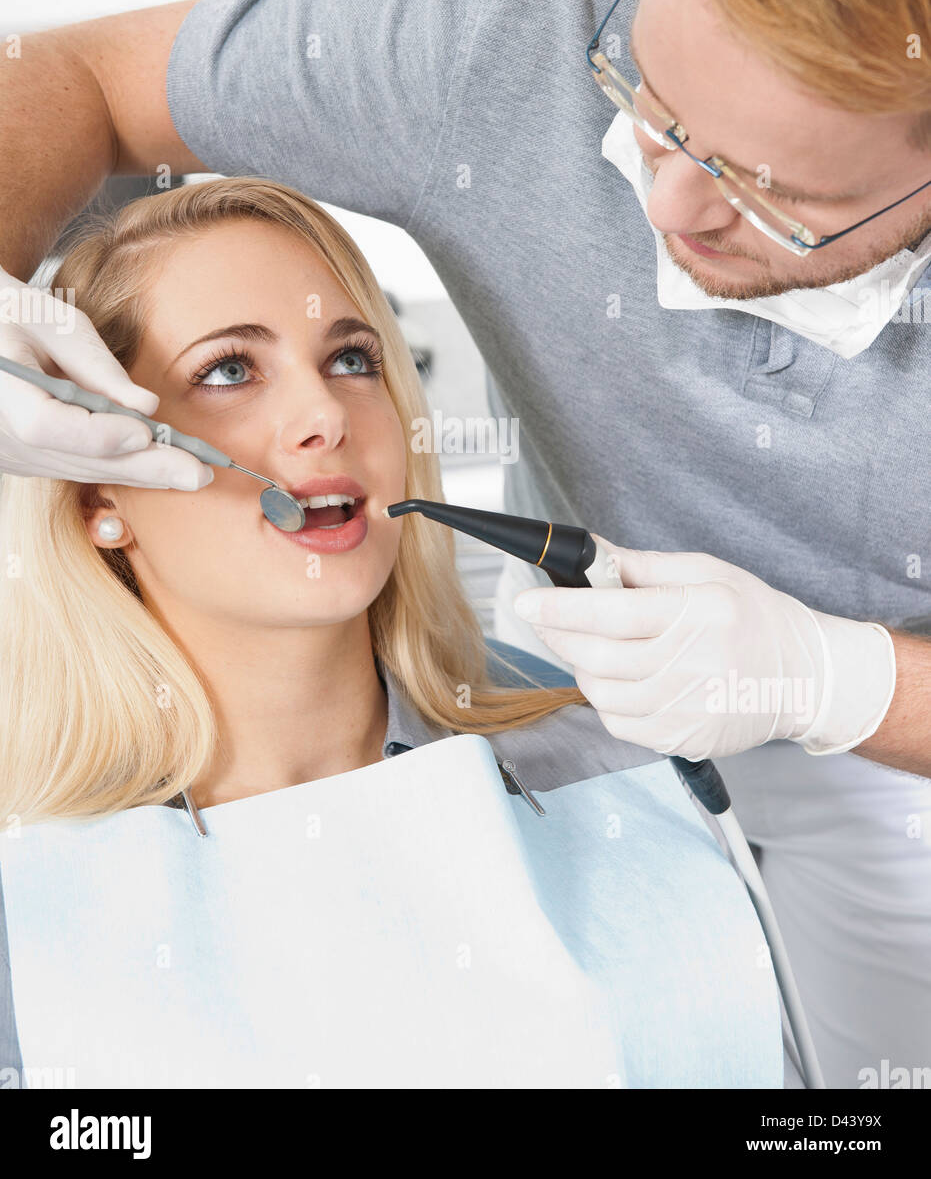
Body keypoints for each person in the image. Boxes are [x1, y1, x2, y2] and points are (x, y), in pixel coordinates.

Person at [0, 0, 926, 1088]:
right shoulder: (503, 4)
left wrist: (831, 681)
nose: (657, 199)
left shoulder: (608, 803)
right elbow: (66, 73)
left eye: (772, 192)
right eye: (644, 103)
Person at [0, 177, 789, 1088]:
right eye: (227, 370)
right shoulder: (37, 876)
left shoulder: (607, 752)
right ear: (98, 490)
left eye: (350, 360)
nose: (326, 416)